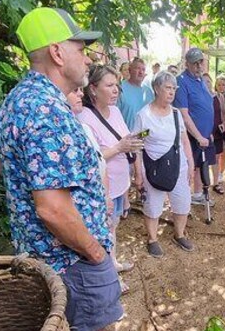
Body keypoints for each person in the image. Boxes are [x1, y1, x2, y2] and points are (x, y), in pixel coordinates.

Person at [0, 7, 121, 331]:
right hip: (73, 261)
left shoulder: (19, 99)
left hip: (49, 260)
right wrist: (96, 253)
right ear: (57, 53)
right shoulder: (45, 110)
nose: (88, 58)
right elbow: (52, 209)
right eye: (80, 49)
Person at [77, 64, 144, 294]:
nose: (116, 90)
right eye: (110, 85)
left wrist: (133, 144)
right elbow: (91, 158)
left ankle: (113, 264)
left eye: (117, 85)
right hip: (102, 189)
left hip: (119, 184)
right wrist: (119, 147)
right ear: (93, 89)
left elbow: (123, 137)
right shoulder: (84, 117)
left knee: (113, 227)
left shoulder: (114, 111)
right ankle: (110, 279)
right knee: (104, 233)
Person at [133, 71, 195, 257]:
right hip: (153, 167)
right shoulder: (144, 116)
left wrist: (191, 163)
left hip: (178, 166)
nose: (171, 92)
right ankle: (152, 239)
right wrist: (138, 173)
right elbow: (137, 144)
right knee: (153, 205)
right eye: (167, 88)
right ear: (156, 89)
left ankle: (179, 234)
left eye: (174, 88)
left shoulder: (176, 114)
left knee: (182, 201)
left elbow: (184, 140)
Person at [175, 48, 217, 207]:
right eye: (195, 63)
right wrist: (198, 136)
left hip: (205, 134)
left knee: (202, 165)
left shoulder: (200, 80)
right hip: (191, 136)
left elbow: (205, 107)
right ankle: (185, 198)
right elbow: (184, 115)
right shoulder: (182, 81)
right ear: (187, 64)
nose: (199, 66)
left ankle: (198, 194)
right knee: (191, 166)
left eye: (201, 62)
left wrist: (208, 132)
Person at [117, 57, 153, 129]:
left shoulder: (148, 91)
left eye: (143, 69)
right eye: (137, 68)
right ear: (130, 70)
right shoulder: (119, 89)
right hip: (126, 137)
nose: (141, 72)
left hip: (145, 136)